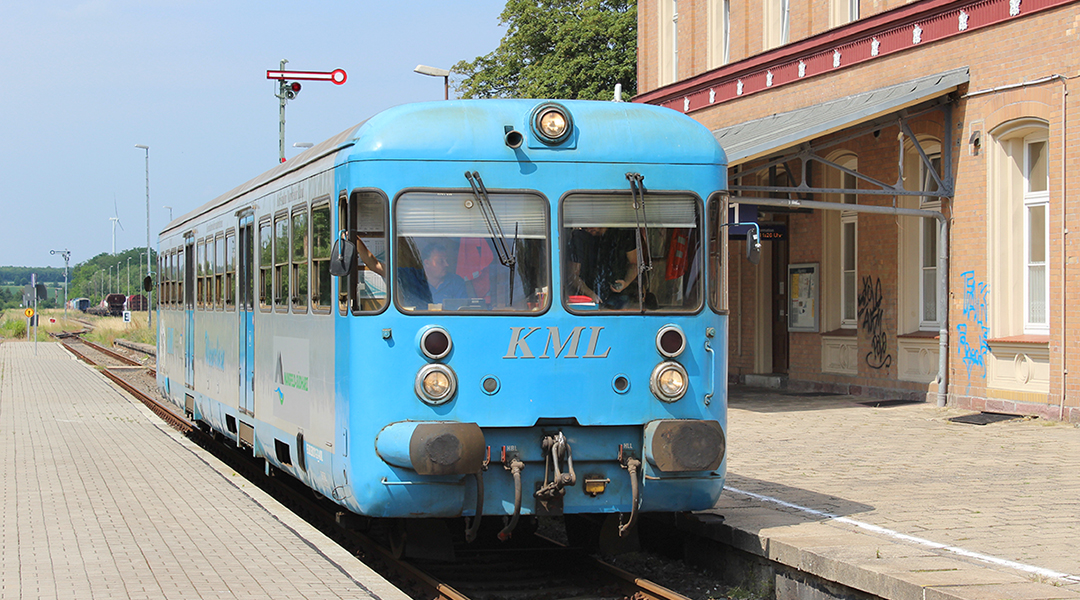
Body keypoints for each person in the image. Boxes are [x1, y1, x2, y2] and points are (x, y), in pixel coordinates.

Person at [566, 227, 639, 309]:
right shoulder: (579, 237)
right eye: (585, 226)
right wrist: (590, 294)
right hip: (587, 300)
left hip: (620, 299)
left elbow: (635, 264)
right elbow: (573, 275)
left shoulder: (624, 232)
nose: (587, 228)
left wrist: (626, 282)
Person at [397, 243, 468, 308]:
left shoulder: (456, 281)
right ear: (427, 263)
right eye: (441, 261)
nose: (447, 264)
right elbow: (388, 270)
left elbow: (462, 310)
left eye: (447, 260)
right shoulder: (412, 277)